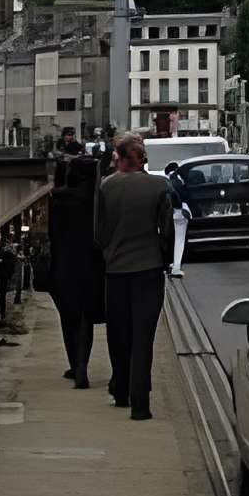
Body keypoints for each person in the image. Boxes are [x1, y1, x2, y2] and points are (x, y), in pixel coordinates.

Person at [93, 131, 175, 421]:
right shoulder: (159, 186)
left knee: (119, 334)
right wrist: (165, 261)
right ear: (141, 158)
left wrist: (109, 253)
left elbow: (99, 232)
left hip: (116, 271)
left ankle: (121, 389)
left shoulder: (105, 187)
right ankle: (141, 402)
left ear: (121, 157)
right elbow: (167, 231)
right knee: (143, 337)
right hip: (149, 270)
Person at [44, 145, 104, 384]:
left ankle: (75, 364)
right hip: (91, 265)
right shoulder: (96, 201)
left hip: (64, 265)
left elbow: (52, 235)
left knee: (69, 318)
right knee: (85, 317)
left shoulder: (58, 200)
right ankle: (82, 364)